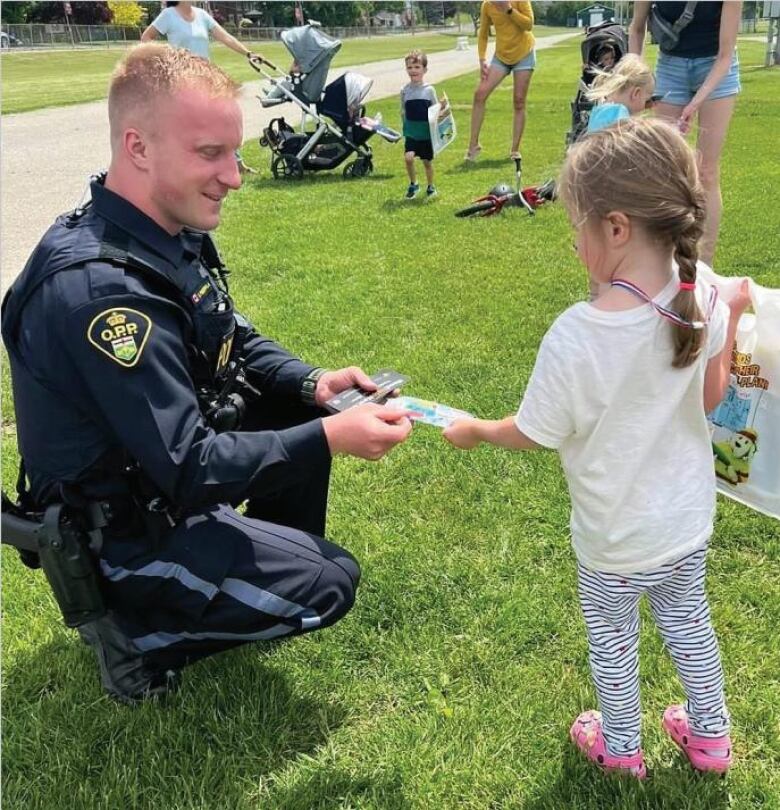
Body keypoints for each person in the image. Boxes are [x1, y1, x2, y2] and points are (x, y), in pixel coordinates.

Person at [1, 44, 413, 704]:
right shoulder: (102, 294)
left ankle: (239, 572)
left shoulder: (160, 228)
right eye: (210, 154)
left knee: (310, 412)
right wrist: (335, 439)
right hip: (123, 531)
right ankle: (134, 632)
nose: (236, 175)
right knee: (332, 582)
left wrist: (314, 384)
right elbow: (189, 466)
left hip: (155, 478)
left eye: (234, 151)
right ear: (138, 147)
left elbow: (230, 333)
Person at [443, 118, 752, 777]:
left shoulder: (579, 334)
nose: (574, 244)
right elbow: (708, 398)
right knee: (690, 629)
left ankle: (621, 751)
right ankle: (712, 741)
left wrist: (474, 430)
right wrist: (731, 327)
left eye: (576, 227)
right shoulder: (706, 295)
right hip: (686, 526)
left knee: (614, 643)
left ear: (615, 228)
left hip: (613, 543)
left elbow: (532, 430)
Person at [629, 1, 743, 266]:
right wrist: (637, 79)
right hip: (671, 66)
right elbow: (636, 29)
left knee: (706, 171)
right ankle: (667, 262)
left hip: (716, 66)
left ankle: (704, 267)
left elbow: (726, 55)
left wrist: (696, 102)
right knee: (669, 170)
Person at [141, 0, 260, 174]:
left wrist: (248, 53)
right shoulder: (169, 15)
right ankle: (176, 164)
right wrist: (167, 57)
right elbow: (146, 37)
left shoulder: (202, 15)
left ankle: (237, 163)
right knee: (186, 125)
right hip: (182, 79)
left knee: (222, 119)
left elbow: (225, 36)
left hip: (206, 77)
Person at [465, 0, 535, 162]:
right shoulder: (487, 5)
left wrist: (509, 10)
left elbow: (529, 25)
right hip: (502, 56)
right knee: (480, 94)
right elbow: (483, 33)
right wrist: (482, 59)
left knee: (519, 101)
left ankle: (514, 150)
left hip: (524, 54)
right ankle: (473, 146)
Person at [400, 50, 438, 200]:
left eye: (417, 67)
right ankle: (413, 183)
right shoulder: (405, 90)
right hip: (411, 133)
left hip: (425, 134)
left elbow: (435, 110)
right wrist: (404, 127)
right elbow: (403, 110)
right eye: (410, 67)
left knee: (427, 162)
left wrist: (441, 108)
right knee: (408, 158)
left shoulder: (429, 90)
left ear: (424, 70)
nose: (413, 70)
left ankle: (430, 186)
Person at [585, 53, 656, 134]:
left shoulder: (600, 110)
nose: (647, 107)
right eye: (646, 101)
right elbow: (622, 145)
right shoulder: (619, 116)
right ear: (636, 93)